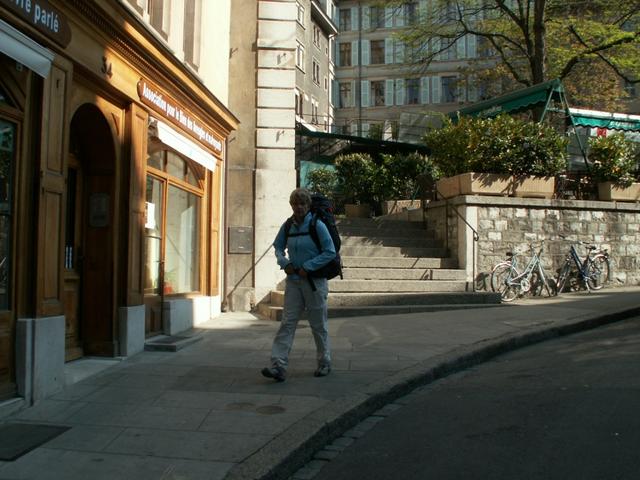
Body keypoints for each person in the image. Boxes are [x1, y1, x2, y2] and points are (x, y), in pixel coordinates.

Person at [261, 188, 336, 382]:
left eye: (302, 203)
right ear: (291, 205)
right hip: (294, 282)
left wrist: (308, 267)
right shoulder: (288, 225)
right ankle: (278, 366)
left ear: (308, 205)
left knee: (318, 324)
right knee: (287, 323)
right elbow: (278, 246)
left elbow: (330, 251)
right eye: (295, 203)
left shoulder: (317, 225)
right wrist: (284, 262)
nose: (299, 207)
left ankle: (324, 362)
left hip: (314, 282)